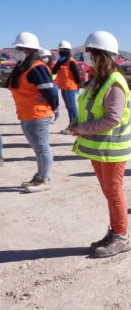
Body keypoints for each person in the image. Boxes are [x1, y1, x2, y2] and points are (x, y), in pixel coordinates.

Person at [71, 31, 131, 258]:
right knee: (109, 192)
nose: (88, 57)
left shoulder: (115, 82)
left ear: (102, 55)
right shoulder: (98, 80)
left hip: (113, 149)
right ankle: (115, 231)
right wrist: (77, 123)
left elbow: (112, 118)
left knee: (114, 193)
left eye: (91, 53)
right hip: (99, 149)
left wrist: (82, 129)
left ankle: (121, 236)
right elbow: (91, 108)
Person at [7, 32, 58, 193]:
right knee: (37, 148)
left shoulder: (37, 68)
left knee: (42, 147)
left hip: (38, 114)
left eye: (20, 48)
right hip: (26, 114)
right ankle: (40, 175)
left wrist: (54, 108)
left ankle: (45, 178)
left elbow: (51, 92)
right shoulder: (23, 67)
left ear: (29, 50)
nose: (17, 51)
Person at [52, 40, 81, 135]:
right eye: (60, 49)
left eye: (62, 49)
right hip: (63, 87)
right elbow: (54, 71)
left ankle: (76, 127)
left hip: (70, 87)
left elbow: (77, 75)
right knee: (68, 107)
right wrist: (59, 63)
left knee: (72, 107)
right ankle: (71, 125)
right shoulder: (61, 61)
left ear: (67, 50)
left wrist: (78, 86)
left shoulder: (71, 62)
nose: (60, 51)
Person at [39, 49, 61, 124]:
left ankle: (57, 116)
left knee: (55, 101)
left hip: (53, 85)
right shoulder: (40, 66)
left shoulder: (53, 66)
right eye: (43, 57)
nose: (45, 58)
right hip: (44, 86)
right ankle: (49, 116)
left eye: (46, 57)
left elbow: (54, 76)